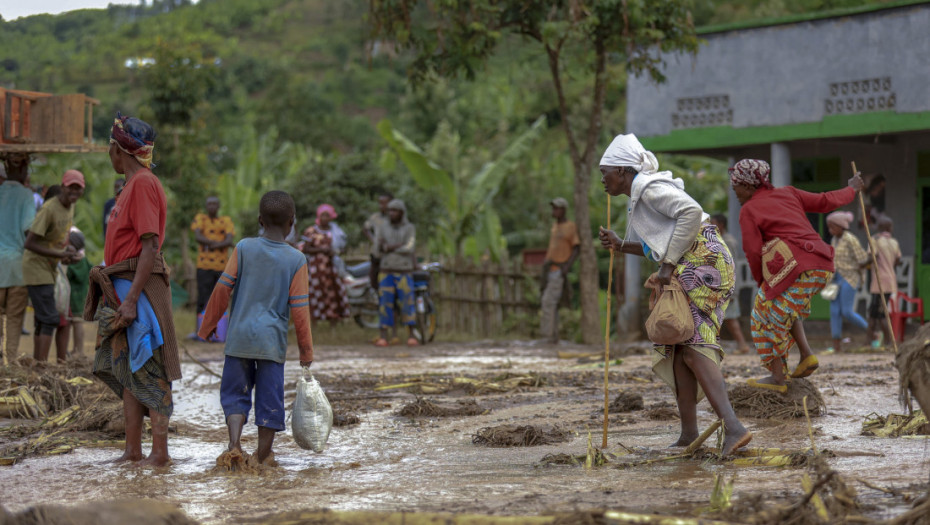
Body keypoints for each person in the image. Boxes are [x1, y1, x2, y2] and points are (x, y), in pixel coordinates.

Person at [597, 133, 751, 456]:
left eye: (605, 173)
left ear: (623, 171)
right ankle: (689, 436)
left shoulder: (650, 189)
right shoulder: (641, 194)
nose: (603, 181)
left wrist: (668, 264)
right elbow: (663, 243)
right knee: (679, 351)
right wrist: (620, 245)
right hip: (694, 264)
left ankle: (734, 428)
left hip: (704, 264)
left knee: (694, 349)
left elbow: (691, 214)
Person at [86, 113, 179, 467]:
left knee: (149, 366)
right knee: (128, 368)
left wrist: (130, 300)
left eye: (109, 147)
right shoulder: (130, 186)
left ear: (117, 149)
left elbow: (149, 246)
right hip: (126, 289)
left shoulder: (142, 184)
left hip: (139, 293)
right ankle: (133, 450)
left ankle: (159, 453)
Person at [198, 190, 313, 467]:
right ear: (291, 222)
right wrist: (306, 351)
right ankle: (262, 457)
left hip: (239, 338)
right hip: (271, 343)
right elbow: (299, 310)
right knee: (269, 399)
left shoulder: (243, 248)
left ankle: (234, 445)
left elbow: (222, 288)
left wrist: (208, 325)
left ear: (260, 220)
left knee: (235, 394)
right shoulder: (297, 260)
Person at [730, 159, 863, 391]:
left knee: (764, 315)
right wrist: (851, 188)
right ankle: (806, 355)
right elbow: (825, 201)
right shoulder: (788, 193)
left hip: (796, 267)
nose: (735, 193)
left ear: (749, 186)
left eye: (736, 188)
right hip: (821, 264)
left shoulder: (748, 210)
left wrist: (762, 283)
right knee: (785, 310)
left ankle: (778, 378)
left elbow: (752, 251)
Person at [23, 170, 84, 363]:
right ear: (63, 187)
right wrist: (60, 255)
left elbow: (57, 241)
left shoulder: (70, 207)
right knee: (50, 318)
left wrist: (67, 257)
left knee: (43, 319)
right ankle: (41, 367)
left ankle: (37, 365)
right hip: (36, 267)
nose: (74, 191)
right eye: (71, 187)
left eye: (78, 188)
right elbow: (29, 243)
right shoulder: (50, 208)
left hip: (50, 267)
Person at [0, 153, 37, 363]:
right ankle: (10, 363)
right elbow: (28, 230)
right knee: (14, 319)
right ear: (24, 168)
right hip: (16, 266)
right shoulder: (25, 196)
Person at [373, 199, 417, 347]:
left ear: (401, 213)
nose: (392, 213)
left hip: (404, 270)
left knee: (407, 302)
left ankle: (411, 334)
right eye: (390, 210)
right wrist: (395, 246)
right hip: (386, 270)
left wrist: (390, 247)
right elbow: (378, 247)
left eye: (395, 210)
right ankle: (383, 336)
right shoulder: (383, 227)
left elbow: (409, 248)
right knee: (385, 303)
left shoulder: (409, 228)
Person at [825, 210, 870, 354]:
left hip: (850, 278)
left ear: (840, 226)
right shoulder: (834, 241)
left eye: (832, 227)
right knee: (834, 311)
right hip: (836, 278)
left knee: (847, 311)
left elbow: (863, 258)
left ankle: (872, 333)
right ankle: (836, 345)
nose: (830, 230)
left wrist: (861, 265)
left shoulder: (850, 239)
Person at [540, 197, 580, 344]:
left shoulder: (570, 226)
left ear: (563, 210)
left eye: (557, 208)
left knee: (548, 302)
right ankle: (552, 335)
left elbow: (576, 248)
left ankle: (547, 336)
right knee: (551, 303)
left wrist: (566, 268)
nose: (554, 211)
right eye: (553, 208)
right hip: (550, 269)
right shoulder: (554, 226)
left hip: (559, 269)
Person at [709, 213, 751, 354]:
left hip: (727, 287)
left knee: (730, 319)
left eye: (713, 223)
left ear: (721, 225)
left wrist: (731, 289)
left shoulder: (728, 242)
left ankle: (742, 345)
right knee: (721, 318)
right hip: (720, 286)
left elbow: (731, 266)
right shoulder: (719, 240)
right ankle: (717, 345)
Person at [301, 204, 350, 324]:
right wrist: (322, 250)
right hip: (316, 269)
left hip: (331, 268)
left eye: (327, 215)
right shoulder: (311, 231)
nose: (325, 218)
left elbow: (343, 248)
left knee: (332, 293)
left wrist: (335, 252)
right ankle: (314, 322)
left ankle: (333, 321)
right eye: (323, 215)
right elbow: (305, 249)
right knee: (315, 293)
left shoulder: (335, 232)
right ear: (318, 216)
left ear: (332, 216)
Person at [191, 196, 235, 315]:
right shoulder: (201, 218)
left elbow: (229, 239)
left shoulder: (226, 220)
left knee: (220, 299)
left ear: (219, 206)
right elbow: (198, 237)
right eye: (209, 204)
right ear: (206, 206)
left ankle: (221, 330)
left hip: (221, 267)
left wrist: (211, 245)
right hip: (204, 266)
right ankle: (198, 330)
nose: (212, 206)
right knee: (202, 298)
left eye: (214, 204)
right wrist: (220, 244)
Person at [866, 217, 901, 348]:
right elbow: (898, 261)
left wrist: (861, 265)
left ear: (879, 228)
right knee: (875, 313)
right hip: (890, 281)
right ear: (889, 228)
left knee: (880, 314)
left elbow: (872, 256)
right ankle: (869, 340)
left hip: (879, 282)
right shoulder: (894, 242)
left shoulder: (875, 240)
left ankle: (889, 341)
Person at [66, 229, 91, 358]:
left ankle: (78, 350)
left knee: (77, 323)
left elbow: (68, 274)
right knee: (77, 322)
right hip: (82, 296)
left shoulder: (74, 263)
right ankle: (77, 349)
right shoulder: (84, 260)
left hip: (75, 298)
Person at [364, 192, 393, 289]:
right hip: (377, 256)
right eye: (380, 203)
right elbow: (366, 228)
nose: (382, 206)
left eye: (384, 203)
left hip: (391, 258)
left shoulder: (395, 218)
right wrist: (373, 240)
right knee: (374, 282)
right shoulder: (375, 217)